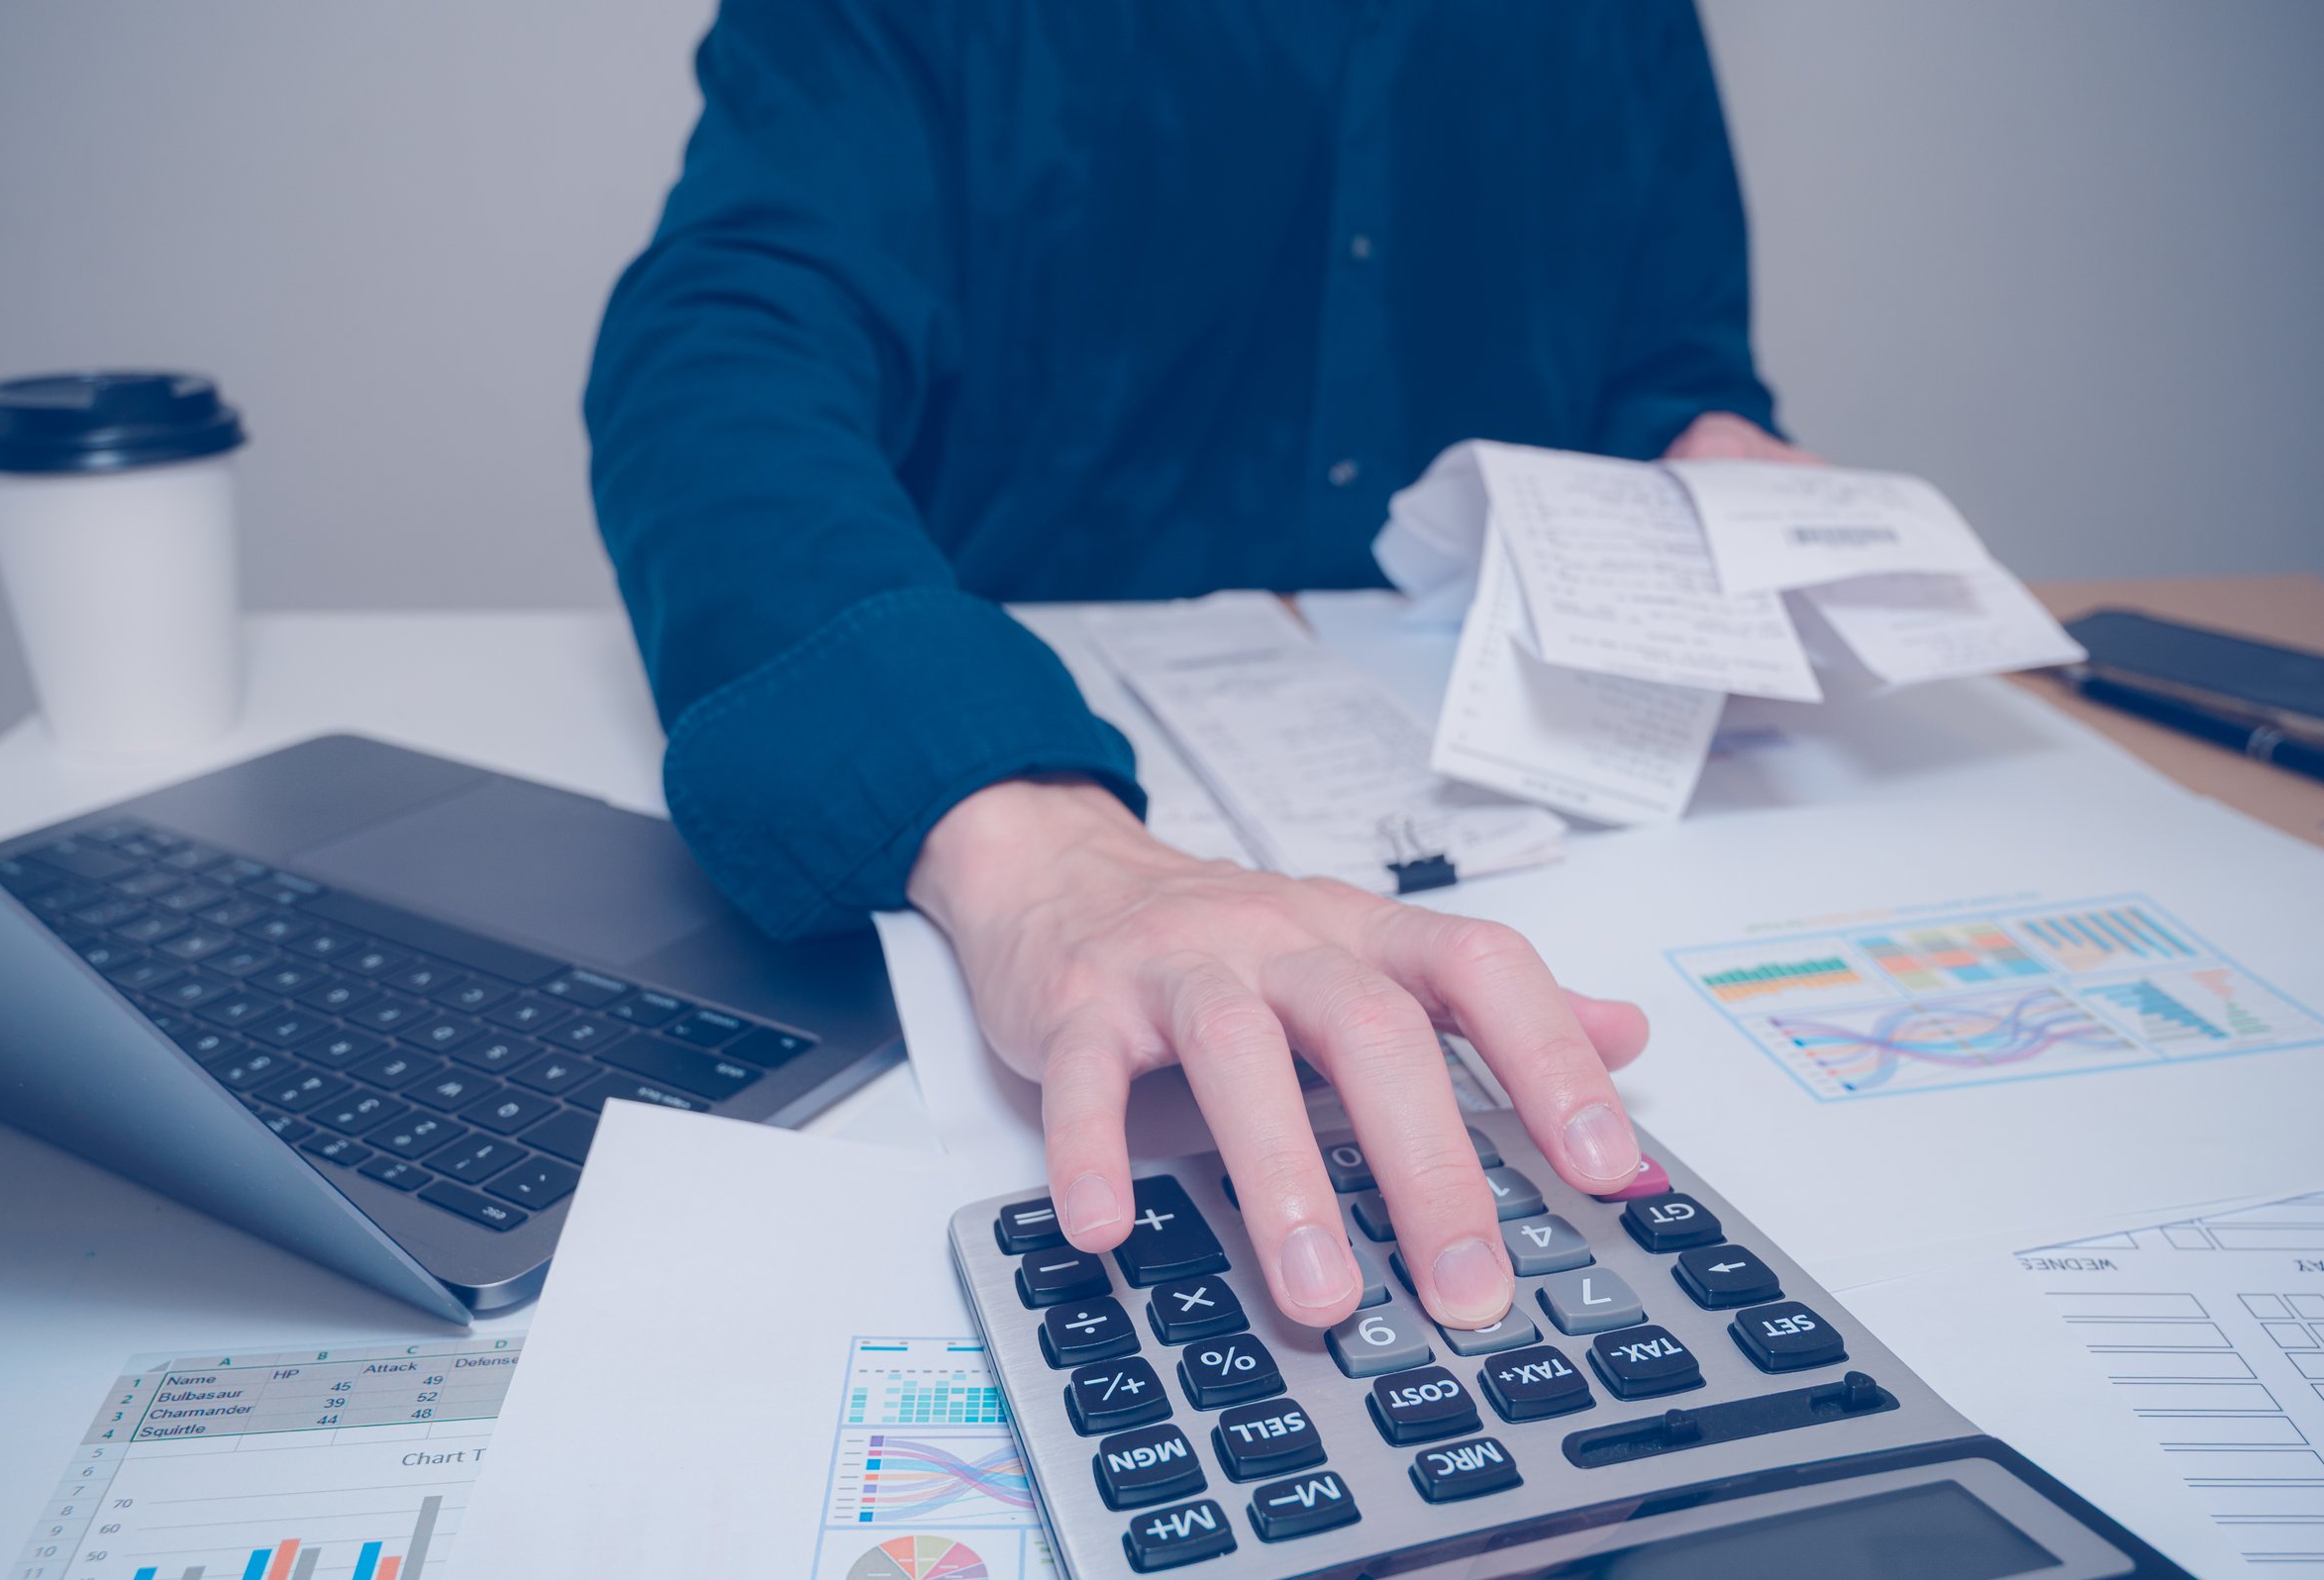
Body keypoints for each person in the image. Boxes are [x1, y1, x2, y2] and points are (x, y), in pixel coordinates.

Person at [588, 1, 1808, 1336]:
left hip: (1579, 822)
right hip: (1018, 789)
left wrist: (1704, 441)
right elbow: (728, 346)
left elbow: (1671, 357)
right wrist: (1030, 845)